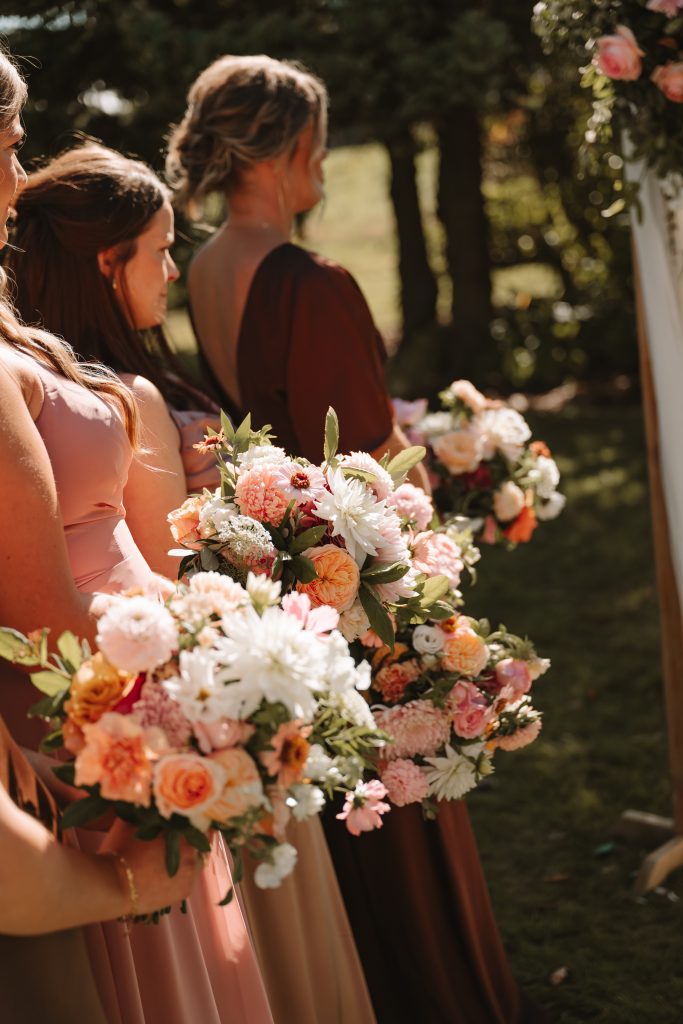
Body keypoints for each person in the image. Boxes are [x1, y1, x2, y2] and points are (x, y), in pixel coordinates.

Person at [168, 53, 547, 1024]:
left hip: (284, 568)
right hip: (358, 574)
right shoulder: (311, 280)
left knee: (341, 804)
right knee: (400, 800)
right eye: (320, 144)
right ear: (295, 148)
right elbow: (371, 456)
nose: (323, 163)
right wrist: (429, 560)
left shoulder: (203, 267)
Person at [2, 68, 272, 1024]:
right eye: (8, 147)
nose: (17, 177)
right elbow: (42, 613)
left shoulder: (25, 347)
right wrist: (206, 698)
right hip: (94, 728)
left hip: (145, 697)